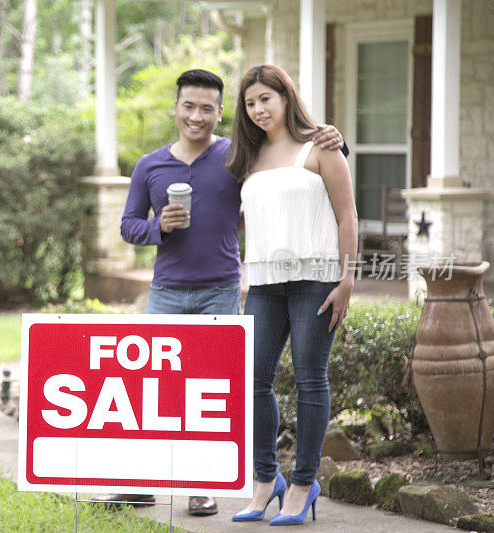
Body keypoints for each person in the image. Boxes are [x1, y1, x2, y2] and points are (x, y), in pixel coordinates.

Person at [91, 69, 345, 517]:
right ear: (175, 108)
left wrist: (333, 137)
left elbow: (294, 172)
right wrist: (157, 227)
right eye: (188, 106)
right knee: (156, 389)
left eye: (208, 108)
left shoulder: (238, 154)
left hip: (223, 290)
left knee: (216, 390)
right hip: (168, 291)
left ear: (220, 112)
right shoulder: (152, 164)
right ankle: (139, 482)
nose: (197, 116)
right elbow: (129, 225)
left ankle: (201, 486)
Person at [227, 64, 357, 525]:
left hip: (317, 280)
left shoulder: (321, 146)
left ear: (285, 96)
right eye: (250, 103)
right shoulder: (246, 156)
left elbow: (347, 216)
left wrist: (347, 280)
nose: (259, 109)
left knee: (309, 380)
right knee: (253, 380)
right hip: (264, 284)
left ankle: (303, 483)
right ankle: (266, 480)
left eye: (266, 98)